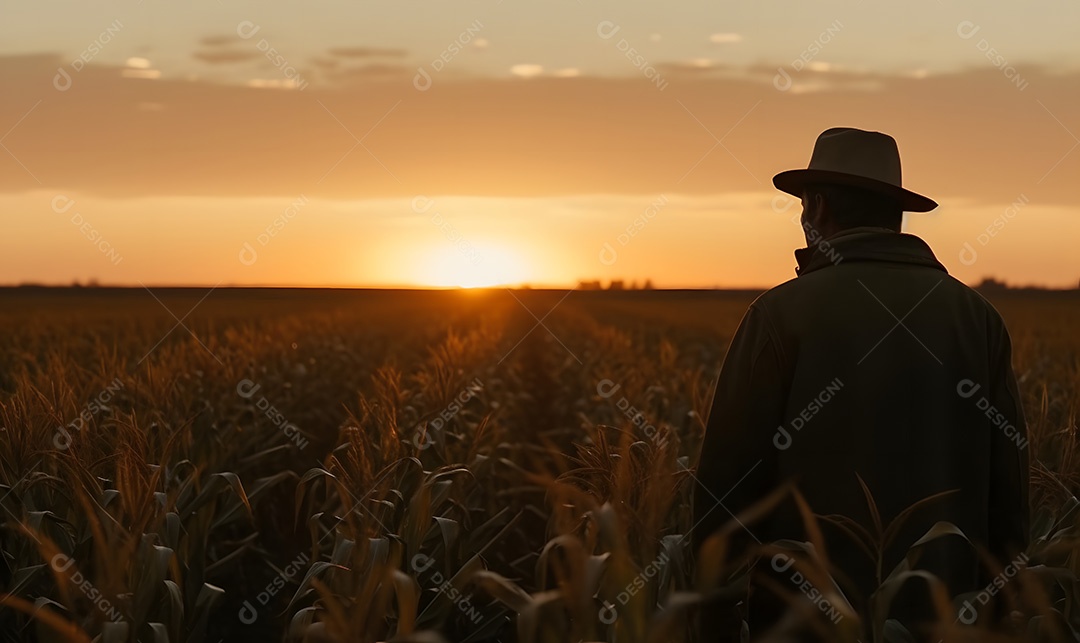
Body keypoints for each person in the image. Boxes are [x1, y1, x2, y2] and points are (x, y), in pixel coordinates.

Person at [691, 127, 1030, 641]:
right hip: (949, 624)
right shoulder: (977, 318)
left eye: (803, 206)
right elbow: (1009, 490)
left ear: (818, 207)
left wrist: (714, 619)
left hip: (800, 626)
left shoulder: (779, 315)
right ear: (896, 215)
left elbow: (727, 485)